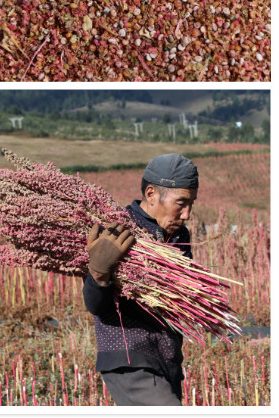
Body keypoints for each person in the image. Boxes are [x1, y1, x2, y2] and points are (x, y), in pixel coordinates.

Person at [83, 153, 199, 406]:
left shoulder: (180, 235)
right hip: (129, 360)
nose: (187, 213)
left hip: (167, 359)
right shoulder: (117, 230)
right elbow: (96, 306)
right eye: (181, 203)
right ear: (151, 194)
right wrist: (98, 273)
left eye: (191, 203)